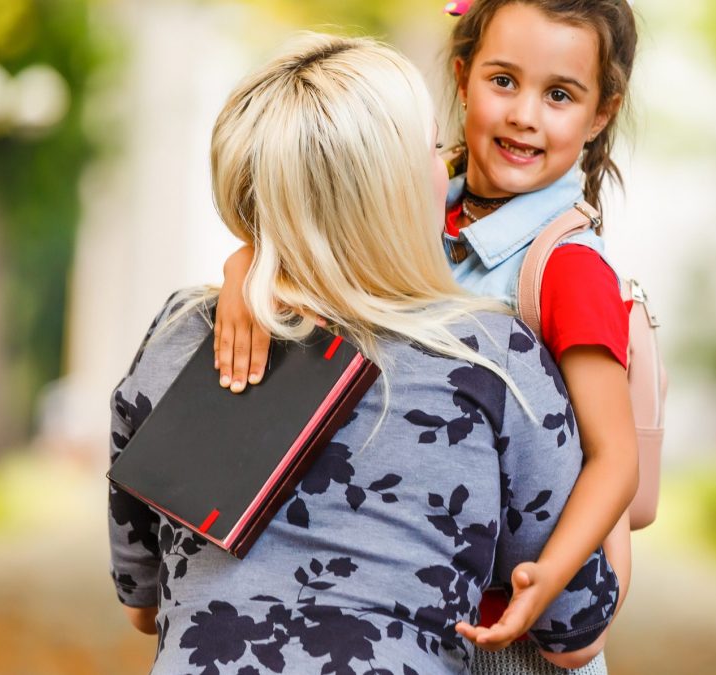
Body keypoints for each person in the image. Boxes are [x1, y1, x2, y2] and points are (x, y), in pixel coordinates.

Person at [108, 33, 618, 675]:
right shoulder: (495, 359)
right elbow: (573, 634)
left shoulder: (184, 333)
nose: (448, 169)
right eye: (433, 148)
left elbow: (142, 602)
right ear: (389, 189)